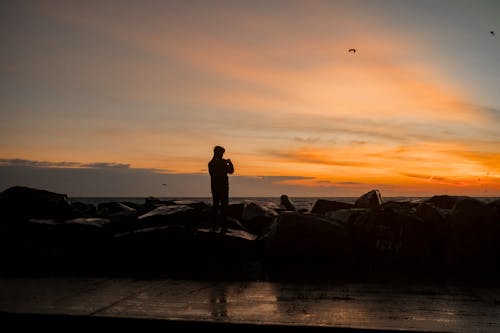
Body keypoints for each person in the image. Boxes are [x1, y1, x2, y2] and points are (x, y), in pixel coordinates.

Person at [208, 146, 234, 232]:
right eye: (221, 153)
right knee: (224, 206)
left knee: (215, 205)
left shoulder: (210, 163)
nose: (222, 155)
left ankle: (214, 225)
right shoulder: (222, 162)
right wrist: (230, 163)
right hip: (223, 187)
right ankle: (223, 225)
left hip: (214, 187)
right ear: (217, 153)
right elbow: (231, 171)